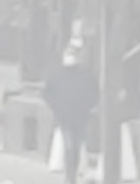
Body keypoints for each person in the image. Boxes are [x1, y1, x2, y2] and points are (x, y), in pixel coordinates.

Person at [44, 43, 97, 184]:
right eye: (68, 54)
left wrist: (88, 106)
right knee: (70, 145)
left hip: (79, 116)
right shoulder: (57, 73)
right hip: (66, 116)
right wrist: (57, 107)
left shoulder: (84, 73)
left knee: (76, 146)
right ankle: (70, 175)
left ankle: (72, 173)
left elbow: (94, 91)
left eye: (72, 55)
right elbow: (47, 93)